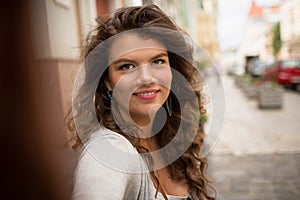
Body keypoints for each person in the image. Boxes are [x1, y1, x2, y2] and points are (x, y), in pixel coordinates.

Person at [68, 4, 215, 200]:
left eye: (158, 61)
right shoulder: (107, 149)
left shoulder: (173, 135)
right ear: (107, 82)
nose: (146, 78)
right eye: (127, 66)